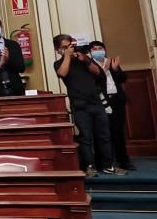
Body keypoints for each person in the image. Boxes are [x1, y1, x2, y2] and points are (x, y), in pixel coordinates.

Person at [53, 35, 124, 176]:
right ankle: (89, 167)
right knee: (86, 137)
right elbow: (62, 73)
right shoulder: (59, 63)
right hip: (80, 105)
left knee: (104, 135)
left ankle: (108, 165)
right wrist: (67, 56)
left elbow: (98, 73)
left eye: (70, 45)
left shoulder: (84, 59)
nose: (69, 49)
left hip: (96, 103)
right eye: (65, 47)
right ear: (57, 49)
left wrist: (85, 59)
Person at [89, 40, 134, 170]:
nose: (98, 51)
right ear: (90, 52)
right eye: (95, 49)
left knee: (118, 132)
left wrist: (116, 70)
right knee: (101, 133)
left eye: (100, 48)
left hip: (117, 100)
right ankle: (101, 162)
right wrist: (105, 70)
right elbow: (92, 83)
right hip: (101, 101)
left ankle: (124, 161)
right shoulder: (90, 65)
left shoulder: (111, 61)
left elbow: (123, 78)